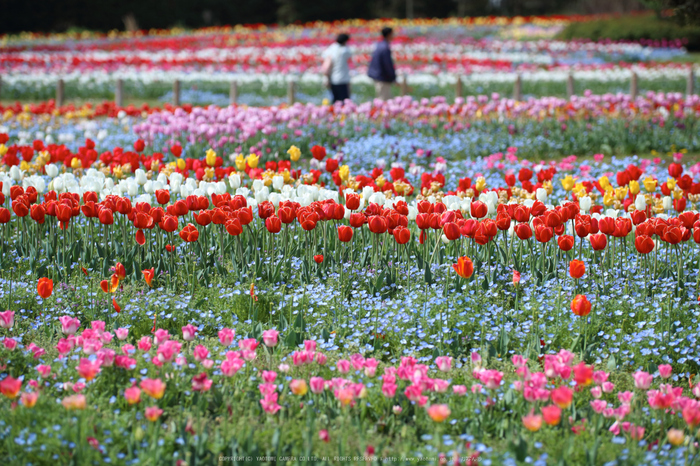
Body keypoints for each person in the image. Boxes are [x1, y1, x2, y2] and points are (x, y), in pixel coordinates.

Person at [367, 27, 396, 101]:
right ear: (389, 34)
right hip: (382, 77)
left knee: (383, 97)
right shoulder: (385, 47)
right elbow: (387, 64)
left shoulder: (379, 45)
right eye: (392, 34)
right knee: (383, 99)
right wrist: (393, 77)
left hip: (378, 75)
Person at [322, 33, 352, 103]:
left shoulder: (331, 48)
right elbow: (349, 55)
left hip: (333, 79)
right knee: (344, 101)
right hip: (342, 79)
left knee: (336, 100)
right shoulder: (344, 50)